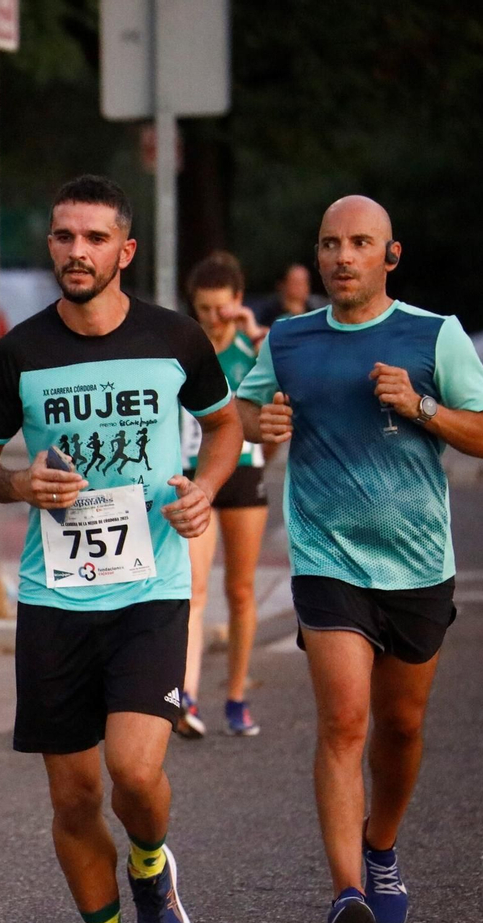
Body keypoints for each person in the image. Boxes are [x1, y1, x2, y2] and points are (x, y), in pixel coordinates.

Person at [0, 175, 242, 923]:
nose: (75, 252)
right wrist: (20, 484)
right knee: (74, 797)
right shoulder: (20, 353)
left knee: (133, 770)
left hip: (150, 587)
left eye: (93, 238)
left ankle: (151, 865)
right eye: (63, 236)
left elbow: (224, 425)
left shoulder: (175, 338)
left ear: (126, 250)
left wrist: (205, 490)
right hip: (55, 595)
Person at [236, 195, 483, 923]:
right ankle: (347, 891)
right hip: (327, 556)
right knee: (344, 722)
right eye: (330, 244)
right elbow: (242, 412)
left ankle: (380, 844)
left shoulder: (434, 334)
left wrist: (421, 405)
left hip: (417, 563)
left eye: (359, 243)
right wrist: (261, 424)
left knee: (401, 725)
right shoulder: (288, 339)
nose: (342, 257)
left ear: (390, 255)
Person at [176, 252, 270, 739]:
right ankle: (187, 696)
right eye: (203, 308)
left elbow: (280, 397)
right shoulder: (183, 349)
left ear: (238, 300)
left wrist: (254, 333)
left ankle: (236, 696)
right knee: (193, 588)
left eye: (221, 307)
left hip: (244, 474)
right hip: (195, 476)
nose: (213, 318)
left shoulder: (253, 348)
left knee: (240, 590)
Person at [253, 263, 326, 327]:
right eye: (296, 283)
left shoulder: (317, 311)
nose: (301, 287)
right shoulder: (269, 314)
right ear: (282, 285)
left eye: (305, 282)